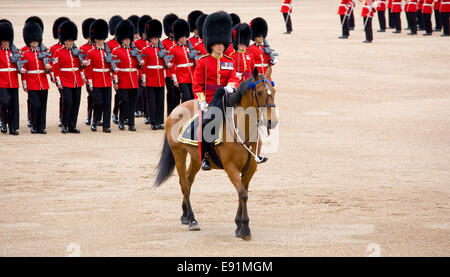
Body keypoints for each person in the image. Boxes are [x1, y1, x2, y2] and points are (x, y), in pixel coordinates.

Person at [192, 12, 239, 170]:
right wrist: (202, 101)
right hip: (209, 100)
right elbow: (197, 84)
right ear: (211, 44)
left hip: (226, 98)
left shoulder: (229, 61)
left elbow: (234, 77)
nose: (220, 46)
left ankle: (251, 150)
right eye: (217, 43)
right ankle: (205, 157)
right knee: (205, 124)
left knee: (247, 115)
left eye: (222, 43)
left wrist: (231, 85)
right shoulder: (203, 62)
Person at [53, 21, 85, 134]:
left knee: (76, 103)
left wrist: (83, 67)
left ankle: (72, 126)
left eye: (72, 40)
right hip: (65, 80)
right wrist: (58, 82)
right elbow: (56, 68)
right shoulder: (58, 52)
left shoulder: (77, 52)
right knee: (68, 102)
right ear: (64, 41)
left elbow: (79, 67)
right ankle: (64, 124)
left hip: (77, 80)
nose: (70, 42)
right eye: (68, 41)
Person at [112, 20, 143, 131]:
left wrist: (140, 64)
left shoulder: (134, 51)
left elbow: (138, 67)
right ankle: (121, 120)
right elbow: (114, 68)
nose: (127, 41)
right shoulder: (116, 51)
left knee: (132, 103)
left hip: (133, 80)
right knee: (125, 101)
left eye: (128, 39)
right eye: (125, 39)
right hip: (123, 80)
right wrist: (115, 82)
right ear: (121, 40)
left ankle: (131, 123)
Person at [21, 21, 50, 134]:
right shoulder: (25, 54)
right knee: (35, 105)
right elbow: (23, 71)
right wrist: (24, 84)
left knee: (42, 106)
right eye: (33, 40)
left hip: (43, 82)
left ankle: (41, 127)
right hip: (32, 83)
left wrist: (48, 67)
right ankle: (33, 125)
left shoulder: (43, 53)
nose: (35, 42)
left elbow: (47, 70)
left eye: (37, 40)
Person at [85, 19, 113, 133]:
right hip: (96, 81)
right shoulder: (91, 52)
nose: (100, 41)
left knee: (107, 104)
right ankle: (95, 121)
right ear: (94, 39)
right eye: (98, 39)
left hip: (106, 80)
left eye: (101, 39)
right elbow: (88, 69)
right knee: (99, 102)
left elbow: (112, 68)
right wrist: (90, 83)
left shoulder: (108, 52)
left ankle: (106, 125)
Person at [142, 19, 166, 130]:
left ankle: (159, 121)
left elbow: (164, 65)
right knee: (151, 101)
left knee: (160, 100)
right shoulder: (146, 50)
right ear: (150, 39)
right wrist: (144, 79)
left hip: (160, 78)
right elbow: (144, 66)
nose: (156, 40)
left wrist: (168, 64)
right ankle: (153, 121)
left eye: (157, 38)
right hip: (151, 78)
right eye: (154, 38)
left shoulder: (162, 50)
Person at [0, 20, 20, 135]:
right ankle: (3, 121)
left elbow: (19, 64)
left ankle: (13, 127)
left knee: (13, 104)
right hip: (2, 81)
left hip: (13, 81)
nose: (5, 43)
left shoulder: (15, 51)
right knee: (4, 102)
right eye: (3, 41)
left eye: (7, 41)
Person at [49, 17, 70, 127]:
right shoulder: (54, 48)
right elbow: (53, 64)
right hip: (60, 77)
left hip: (70, 78)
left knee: (66, 99)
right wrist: (54, 78)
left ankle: (66, 118)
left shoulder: (72, 48)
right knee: (64, 97)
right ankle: (62, 118)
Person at [169, 19, 196, 103]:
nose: (184, 38)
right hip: (182, 78)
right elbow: (172, 65)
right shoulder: (173, 49)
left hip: (192, 76)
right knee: (186, 97)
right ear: (178, 37)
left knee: (193, 97)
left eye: (185, 36)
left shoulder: (190, 47)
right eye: (182, 37)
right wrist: (175, 79)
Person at [162, 13, 181, 116]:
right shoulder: (164, 43)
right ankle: (170, 114)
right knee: (171, 95)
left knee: (178, 96)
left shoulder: (180, 43)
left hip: (179, 74)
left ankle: (176, 114)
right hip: (169, 74)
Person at [135, 15, 152, 124]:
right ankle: (139, 109)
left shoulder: (151, 43)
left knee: (147, 95)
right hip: (140, 71)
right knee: (140, 93)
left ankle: (147, 113)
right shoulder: (137, 43)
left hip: (150, 73)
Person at [107, 15, 123, 125]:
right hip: (114, 73)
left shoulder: (124, 43)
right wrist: (114, 79)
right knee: (118, 95)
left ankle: (121, 114)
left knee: (122, 96)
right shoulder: (109, 44)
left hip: (125, 73)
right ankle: (115, 113)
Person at [80, 18, 96, 126]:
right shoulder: (83, 48)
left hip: (99, 76)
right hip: (88, 76)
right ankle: (89, 116)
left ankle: (96, 118)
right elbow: (81, 65)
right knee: (91, 97)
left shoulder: (101, 48)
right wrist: (83, 77)